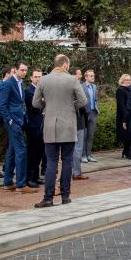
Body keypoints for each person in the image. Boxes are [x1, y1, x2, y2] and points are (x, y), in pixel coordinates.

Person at [32, 54, 88, 208]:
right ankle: (65, 196)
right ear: (65, 65)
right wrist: (71, 106)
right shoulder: (72, 79)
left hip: (50, 125)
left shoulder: (43, 80)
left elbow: (35, 103)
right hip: (68, 124)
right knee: (67, 160)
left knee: (51, 162)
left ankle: (48, 198)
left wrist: (48, 107)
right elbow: (83, 101)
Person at [0, 61, 34, 194]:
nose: (24, 72)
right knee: (21, 152)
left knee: (12, 152)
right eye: (22, 70)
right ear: (16, 70)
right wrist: (11, 121)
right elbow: (2, 106)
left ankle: (8, 182)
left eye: (26, 70)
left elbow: (19, 103)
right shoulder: (8, 84)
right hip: (13, 123)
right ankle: (21, 184)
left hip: (20, 121)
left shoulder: (20, 83)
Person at [24, 69, 45, 188]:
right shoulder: (28, 91)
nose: (38, 79)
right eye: (36, 77)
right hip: (32, 125)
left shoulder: (42, 90)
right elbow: (35, 107)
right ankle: (29, 178)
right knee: (32, 153)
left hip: (41, 125)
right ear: (31, 78)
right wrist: (43, 102)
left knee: (39, 152)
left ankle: (36, 176)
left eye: (40, 77)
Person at [72, 67, 88, 180]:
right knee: (77, 148)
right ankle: (76, 172)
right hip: (78, 120)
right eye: (79, 74)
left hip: (72, 120)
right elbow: (82, 103)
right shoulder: (75, 86)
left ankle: (75, 170)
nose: (80, 76)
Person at [81, 69, 99, 163]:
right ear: (86, 77)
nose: (93, 77)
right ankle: (83, 155)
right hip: (85, 113)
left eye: (93, 75)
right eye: (91, 76)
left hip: (93, 112)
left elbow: (96, 99)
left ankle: (89, 155)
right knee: (83, 135)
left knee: (91, 135)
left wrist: (97, 109)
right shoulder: (81, 86)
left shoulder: (95, 87)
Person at [116, 74, 131, 159]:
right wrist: (124, 118)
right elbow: (121, 105)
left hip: (130, 114)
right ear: (122, 80)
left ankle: (126, 151)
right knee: (126, 135)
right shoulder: (120, 90)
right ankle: (127, 152)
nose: (128, 81)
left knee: (130, 134)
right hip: (123, 115)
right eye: (126, 80)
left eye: (129, 80)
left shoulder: (130, 89)